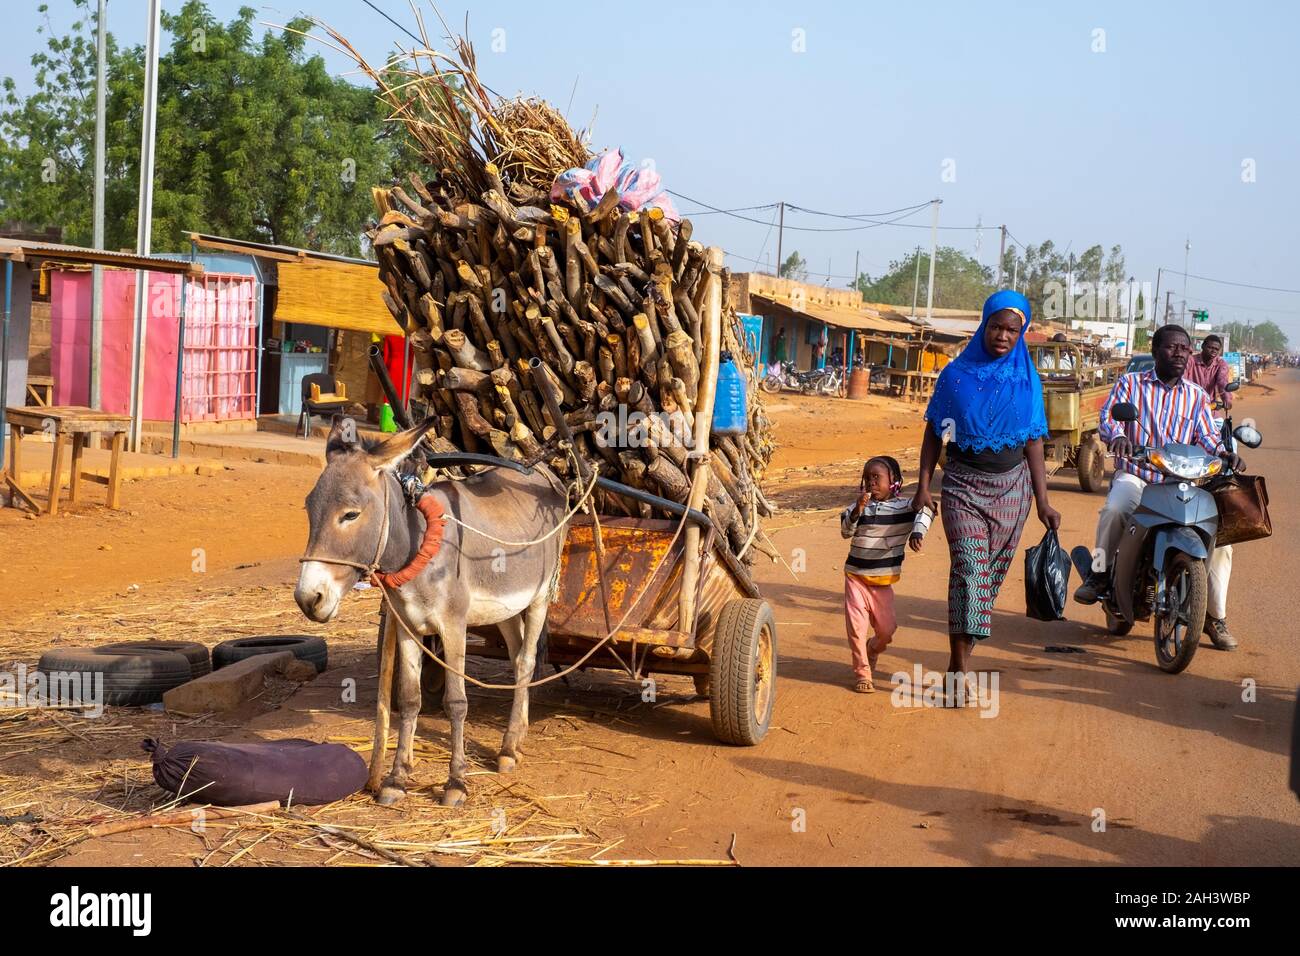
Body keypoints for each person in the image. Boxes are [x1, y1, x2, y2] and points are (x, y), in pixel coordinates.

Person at [914, 290, 1061, 700]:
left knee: (987, 582)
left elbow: (1033, 442)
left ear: (1021, 333)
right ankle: (958, 670)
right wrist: (924, 486)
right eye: (995, 326)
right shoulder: (955, 375)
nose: (1002, 335)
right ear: (983, 326)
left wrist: (1044, 500)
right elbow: (933, 432)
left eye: (1012, 329)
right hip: (962, 485)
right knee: (969, 569)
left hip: (1013, 490)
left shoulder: (1028, 381)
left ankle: (963, 650)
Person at [1073, 324, 1245, 649]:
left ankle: (1214, 616)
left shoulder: (1196, 396)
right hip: (1138, 475)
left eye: (1184, 348)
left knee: (1221, 543)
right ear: (1155, 352)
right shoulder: (1131, 384)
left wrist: (1223, 452)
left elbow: (1207, 435)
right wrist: (1120, 436)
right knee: (1115, 508)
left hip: (1180, 482)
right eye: (1171, 347)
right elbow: (1109, 418)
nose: (1179, 353)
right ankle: (1100, 573)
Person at [840, 456, 933, 693]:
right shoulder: (857, 507)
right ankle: (863, 674)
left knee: (886, 631)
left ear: (894, 482)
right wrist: (856, 512)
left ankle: (874, 649)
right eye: (867, 478)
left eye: (876, 478)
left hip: (882, 583)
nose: (871, 483)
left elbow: (928, 509)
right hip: (855, 578)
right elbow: (845, 531)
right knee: (856, 629)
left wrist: (917, 533)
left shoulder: (904, 507)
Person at [1184, 334, 1233, 409]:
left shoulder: (1220, 364)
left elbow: (1222, 381)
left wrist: (1226, 398)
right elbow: (1182, 379)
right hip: (1189, 405)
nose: (1213, 351)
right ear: (1202, 346)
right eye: (1210, 347)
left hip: (1210, 407)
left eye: (1216, 349)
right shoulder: (1191, 360)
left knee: (1219, 421)